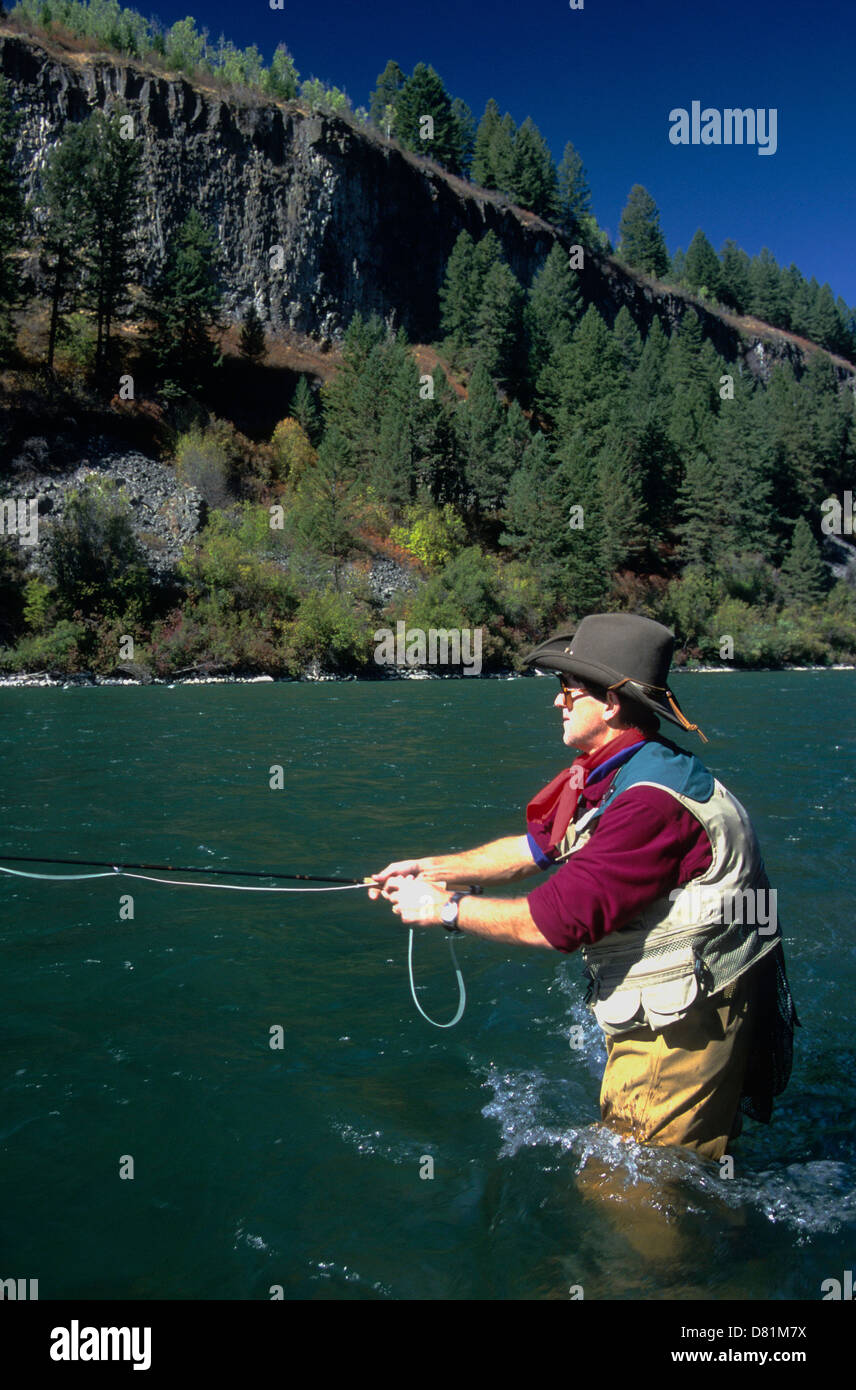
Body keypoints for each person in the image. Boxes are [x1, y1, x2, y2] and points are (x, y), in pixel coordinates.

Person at [370, 613, 797, 1162]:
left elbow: (551, 925)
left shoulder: (649, 800)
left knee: (630, 1190)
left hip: (687, 1024)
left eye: (568, 691)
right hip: (710, 991)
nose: (557, 703)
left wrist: (443, 910)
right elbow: (534, 849)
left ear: (612, 704)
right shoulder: (620, 766)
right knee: (693, 1161)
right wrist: (430, 870)